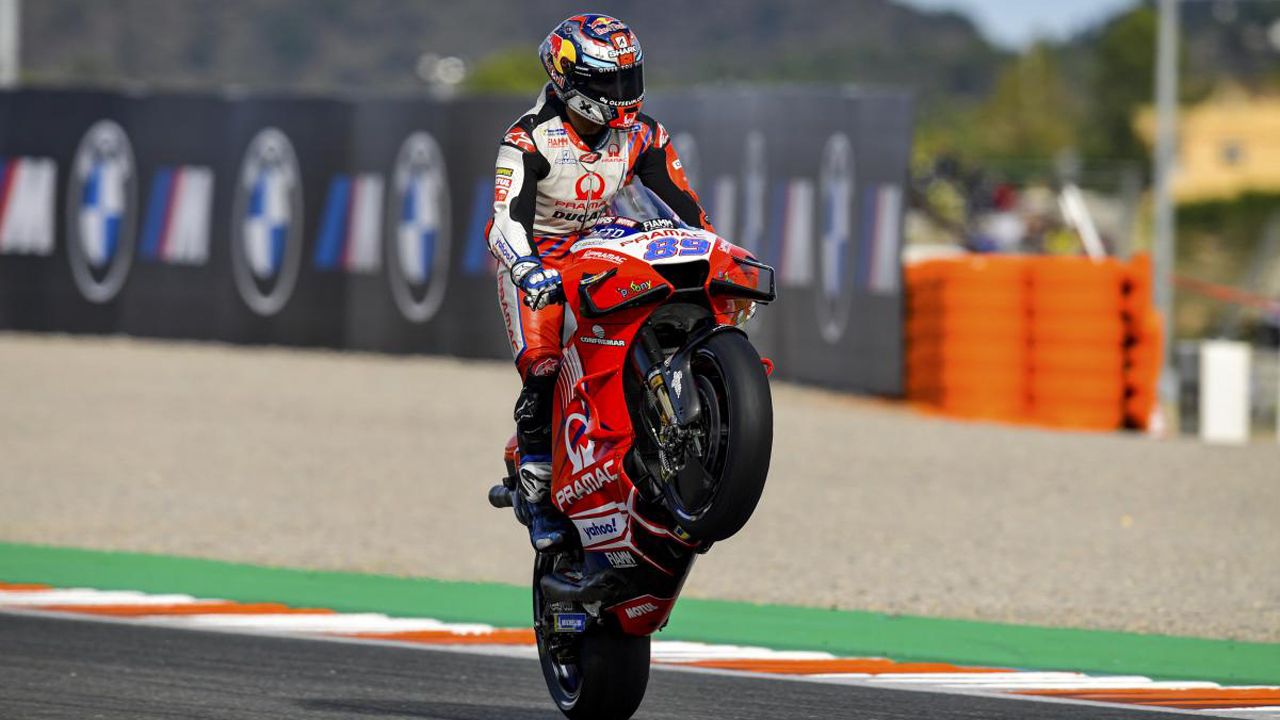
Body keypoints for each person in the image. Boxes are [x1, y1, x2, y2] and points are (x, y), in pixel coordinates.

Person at [486, 13, 715, 550]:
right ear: (569, 81)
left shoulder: (644, 134)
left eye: (628, 79)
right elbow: (504, 220)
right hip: (536, 259)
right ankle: (537, 491)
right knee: (543, 368)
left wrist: (712, 257)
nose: (623, 95)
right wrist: (525, 269)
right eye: (608, 83)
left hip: (603, 246)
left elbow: (690, 213)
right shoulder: (528, 140)